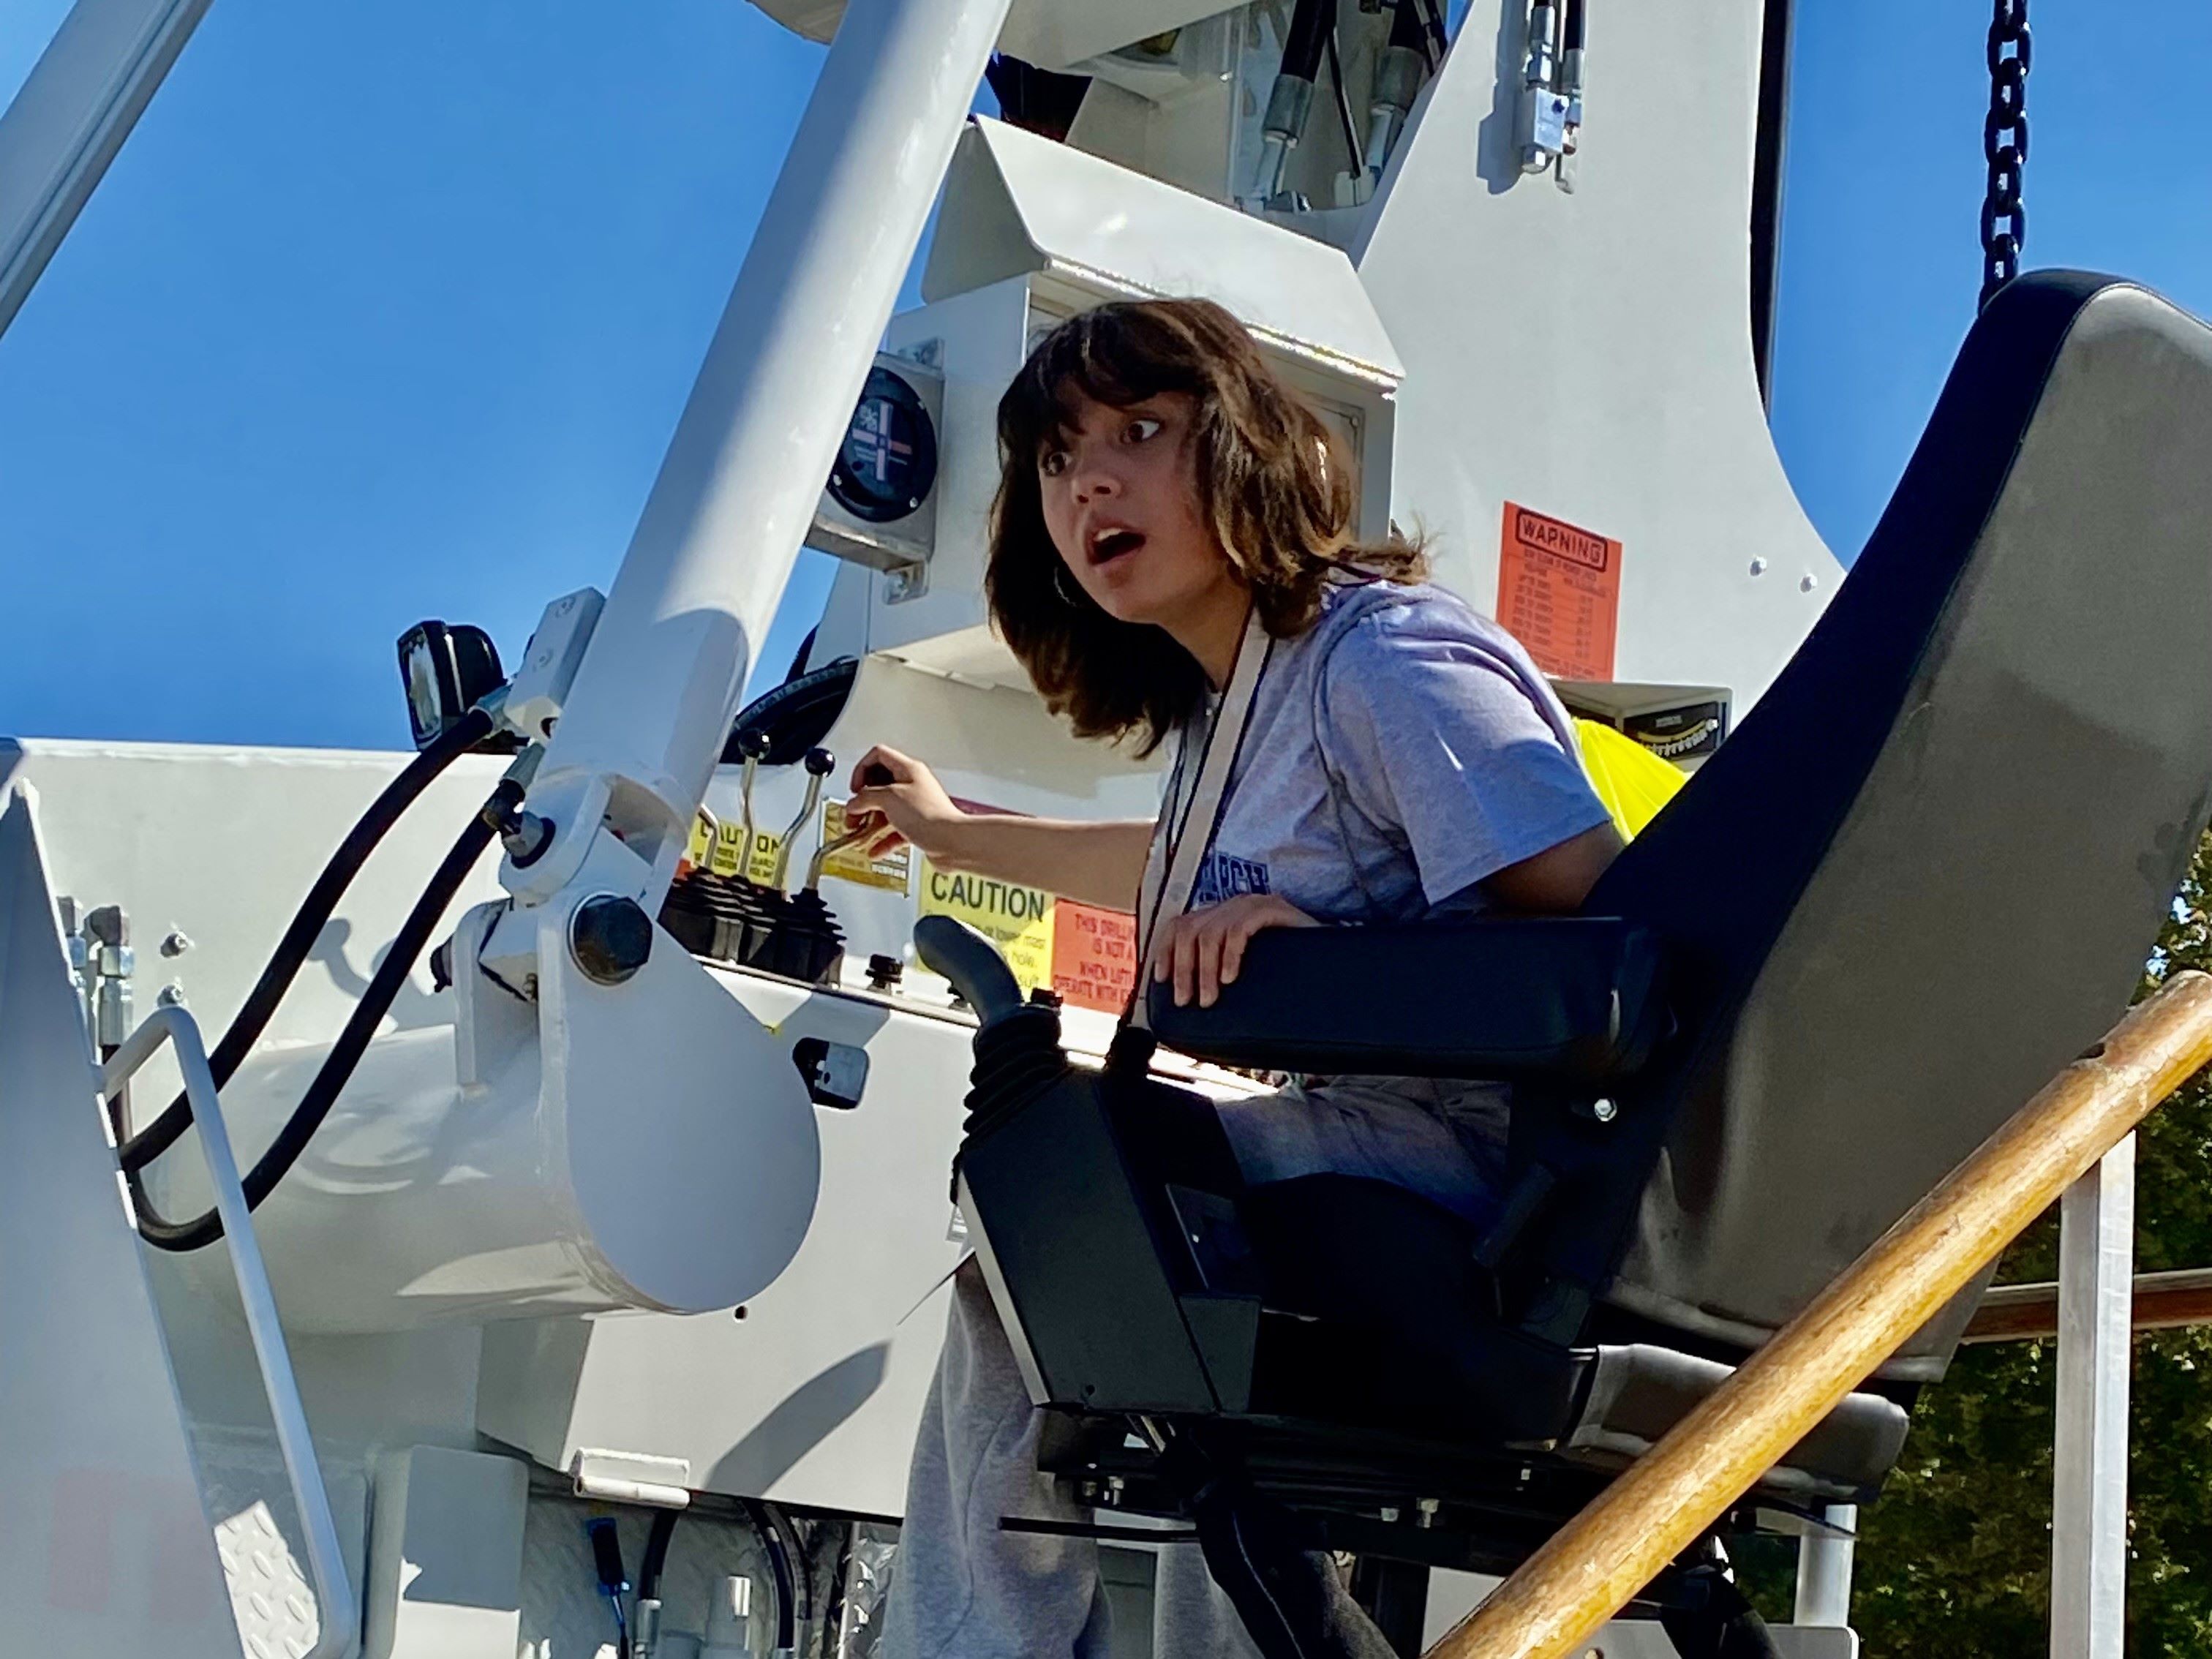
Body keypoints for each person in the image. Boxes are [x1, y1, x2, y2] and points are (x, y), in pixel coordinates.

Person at [851, 297, 1622, 1659]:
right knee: (1074, 1236)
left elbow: (1606, 932)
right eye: (1057, 458)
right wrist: (945, 828)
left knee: (1052, 1222)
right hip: (1373, 1145)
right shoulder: (1237, 707)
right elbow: (1175, 865)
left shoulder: (1379, 657)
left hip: (1497, 1183)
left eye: (1140, 432)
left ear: (1250, 449)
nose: (1089, 479)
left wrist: (1326, 961)